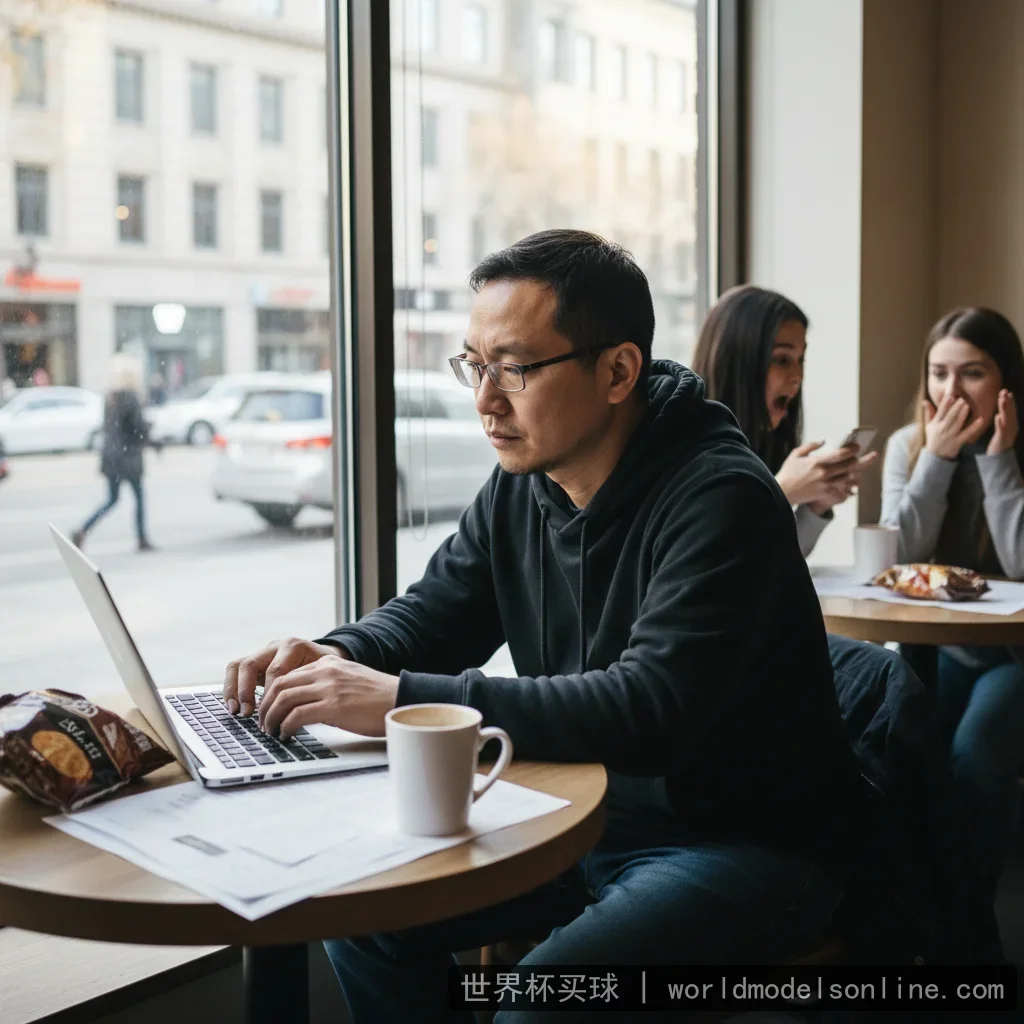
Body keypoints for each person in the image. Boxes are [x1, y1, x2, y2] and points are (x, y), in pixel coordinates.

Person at [224, 230, 854, 1022]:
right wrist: (334, 656)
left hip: (743, 844)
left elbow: (649, 711)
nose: (485, 400)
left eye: (515, 368)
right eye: (475, 366)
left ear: (619, 370)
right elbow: (434, 615)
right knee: (360, 915)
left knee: (535, 1006)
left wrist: (391, 697)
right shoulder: (524, 481)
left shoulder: (723, 497)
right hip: (581, 821)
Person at [881, 306, 1024, 891]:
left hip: (1012, 655)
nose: (950, 391)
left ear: (1005, 380)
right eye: (939, 374)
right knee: (892, 755)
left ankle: (973, 916)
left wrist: (999, 462)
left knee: (975, 753)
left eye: (972, 373)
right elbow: (893, 559)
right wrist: (935, 460)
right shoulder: (907, 445)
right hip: (929, 649)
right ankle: (918, 904)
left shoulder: (1013, 453)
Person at [691, 285, 878, 557]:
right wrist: (782, 491)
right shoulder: (685, 452)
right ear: (737, 361)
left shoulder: (756, 446)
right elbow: (706, 561)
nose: (798, 376)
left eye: (800, 360)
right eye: (782, 359)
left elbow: (770, 561)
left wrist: (816, 505)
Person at [72, 355, 156, 553]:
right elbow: (138, 429)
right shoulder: (131, 398)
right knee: (139, 498)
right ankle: (142, 537)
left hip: (111, 457)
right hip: (128, 458)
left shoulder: (110, 397)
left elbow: (113, 428)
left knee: (111, 500)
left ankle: (83, 530)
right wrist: (150, 434)